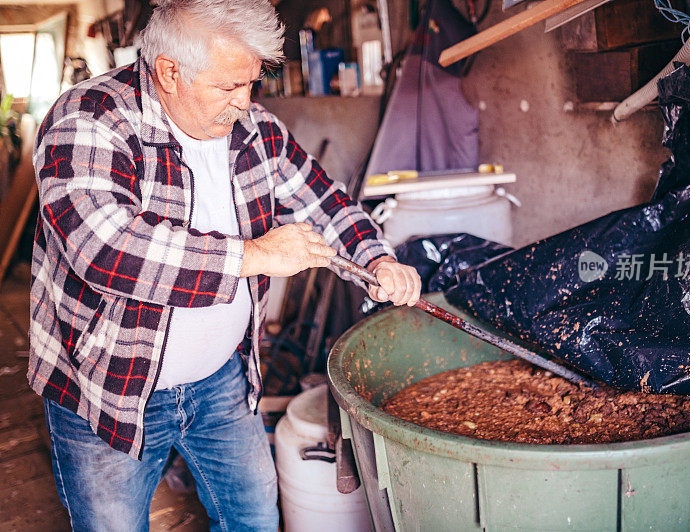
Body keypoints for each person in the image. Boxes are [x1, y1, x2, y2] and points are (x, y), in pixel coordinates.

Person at [29, 0, 421, 530]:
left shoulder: (255, 127)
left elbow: (323, 202)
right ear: (169, 71)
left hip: (222, 381)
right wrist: (254, 255)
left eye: (251, 84)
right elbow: (105, 247)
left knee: (255, 518)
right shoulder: (88, 118)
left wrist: (376, 258)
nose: (245, 103)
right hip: (110, 389)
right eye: (229, 87)